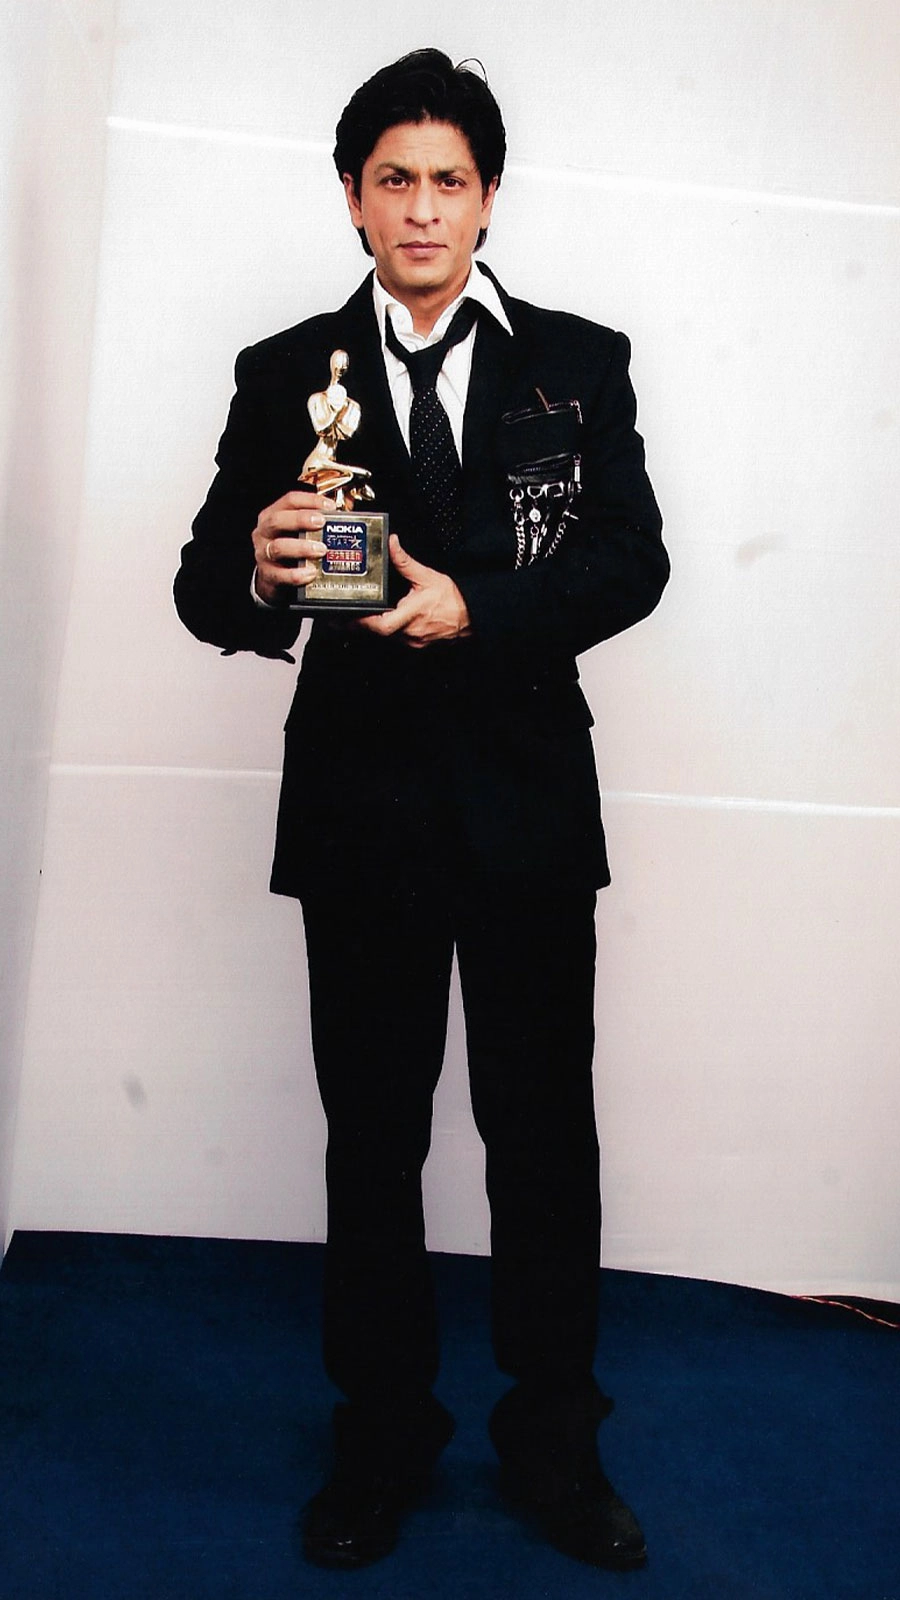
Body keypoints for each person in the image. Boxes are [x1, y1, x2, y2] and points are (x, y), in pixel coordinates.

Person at [175, 48, 668, 1572]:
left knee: (543, 1141)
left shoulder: (578, 363)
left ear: (490, 197)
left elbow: (631, 564)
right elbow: (207, 588)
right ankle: (381, 1443)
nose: (422, 205)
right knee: (372, 1141)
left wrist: (485, 613)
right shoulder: (284, 374)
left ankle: (554, 1448)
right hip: (362, 814)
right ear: (351, 199)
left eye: (450, 178)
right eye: (393, 176)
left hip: (525, 807)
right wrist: (263, 570)